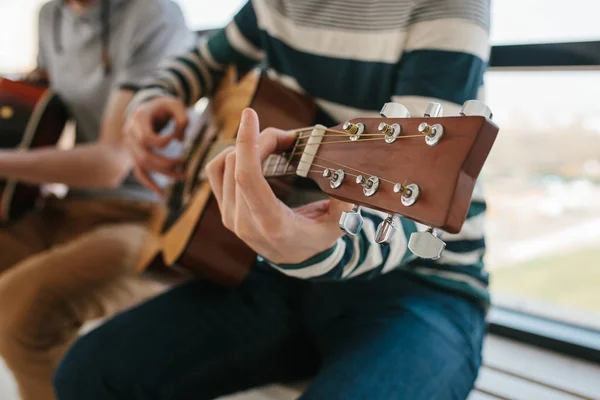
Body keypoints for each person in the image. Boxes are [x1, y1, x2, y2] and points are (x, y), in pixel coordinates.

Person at [55, 0, 491, 399]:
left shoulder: (446, 6)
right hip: (274, 273)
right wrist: (153, 103)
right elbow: (202, 60)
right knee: (86, 375)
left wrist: (306, 250)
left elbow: (414, 195)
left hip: (422, 285)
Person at [0, 1, 193, 399]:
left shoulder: (153, 16)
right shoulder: (52, 16)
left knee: (19, 317)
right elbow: (43, 109)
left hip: (151, 216)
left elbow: (112, 164)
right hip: (68, 208)